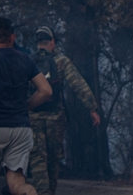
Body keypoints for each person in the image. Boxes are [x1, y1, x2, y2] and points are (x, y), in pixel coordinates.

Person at [0, 16, 52, 195]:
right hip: (20, 128)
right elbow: (46, 90)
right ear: (11, 37)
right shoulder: (26, 60)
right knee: (17, 183)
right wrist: (26, 107)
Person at [28, 26, 100, 195]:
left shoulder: (28, 61)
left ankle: (42, 192)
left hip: (33, 117)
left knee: (38, 158)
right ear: (52, 42)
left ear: (38, 43)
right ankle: (50, 191)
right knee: (53, 159)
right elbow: (78, 84)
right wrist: (92, 108)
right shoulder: (61, 61)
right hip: (56, 118)